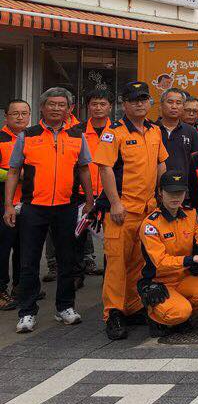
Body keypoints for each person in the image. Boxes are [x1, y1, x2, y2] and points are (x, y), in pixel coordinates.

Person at [3, 88, 92, 334]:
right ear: (42, 107)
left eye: (61, 105)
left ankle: (65, 307)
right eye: (51, 104)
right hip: (34, 207)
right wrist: (9, 205)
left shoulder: (77, 135)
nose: (56, 108)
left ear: (69, 109)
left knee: (67, 260)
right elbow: (13, 171)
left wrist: (89, 200)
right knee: (29, 262)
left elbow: (84, 169)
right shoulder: (28, 135)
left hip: (66, 207)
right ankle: (27, 311)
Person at [96, 81, 168, 341]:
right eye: (134, 100)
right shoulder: (113, 132)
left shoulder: (155, 130)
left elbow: (161, 163)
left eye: (143, 99)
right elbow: (105, 168)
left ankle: (132, 306)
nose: (139, 104)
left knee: (139, 262)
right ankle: (113, 313)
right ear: (124, 104)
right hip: (122, 210)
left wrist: (162, 196)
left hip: (147, 208)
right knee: (117, 263)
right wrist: (115, 202)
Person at [138, 171, 198, 336]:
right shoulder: (151, 224)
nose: (175, 197)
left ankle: (179, 314)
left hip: (183, 278)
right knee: (180, 312)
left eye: (179, 192)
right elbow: (160, 262)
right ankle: (155, 315)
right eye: (170, 192)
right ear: (160, 192)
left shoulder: (191, 215)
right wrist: (192, 259)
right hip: (159, 281)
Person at [74, 88, 113, 277]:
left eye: (102, 104)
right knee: (77, 238)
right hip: (81, 194)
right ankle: (76, 276)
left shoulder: (118, 130)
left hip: (109, 194)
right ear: (88, 106)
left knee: (111, 240)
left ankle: (109, 279)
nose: (98, 108)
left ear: (110, 107)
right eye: (94, 104)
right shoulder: (77, 131)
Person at [0, 99, 30, 310]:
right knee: (3, 249)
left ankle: (20, 287)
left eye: (24, 113)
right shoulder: (1, 139)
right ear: (6, 116)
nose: (20, 117)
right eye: (15, 113)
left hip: (27, 204)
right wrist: (16, 174)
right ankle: (1, 291)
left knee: (24, 248)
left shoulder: (31, 138)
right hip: (4, 204)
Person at [157, 88, 198, 177]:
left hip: (184, 183)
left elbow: (196, 162)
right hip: (155, 183)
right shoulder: (152, 130)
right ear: (161, 105)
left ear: (183, 106)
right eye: (170, 102)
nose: (174, 106)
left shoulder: (191, 131)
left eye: (178, 103)